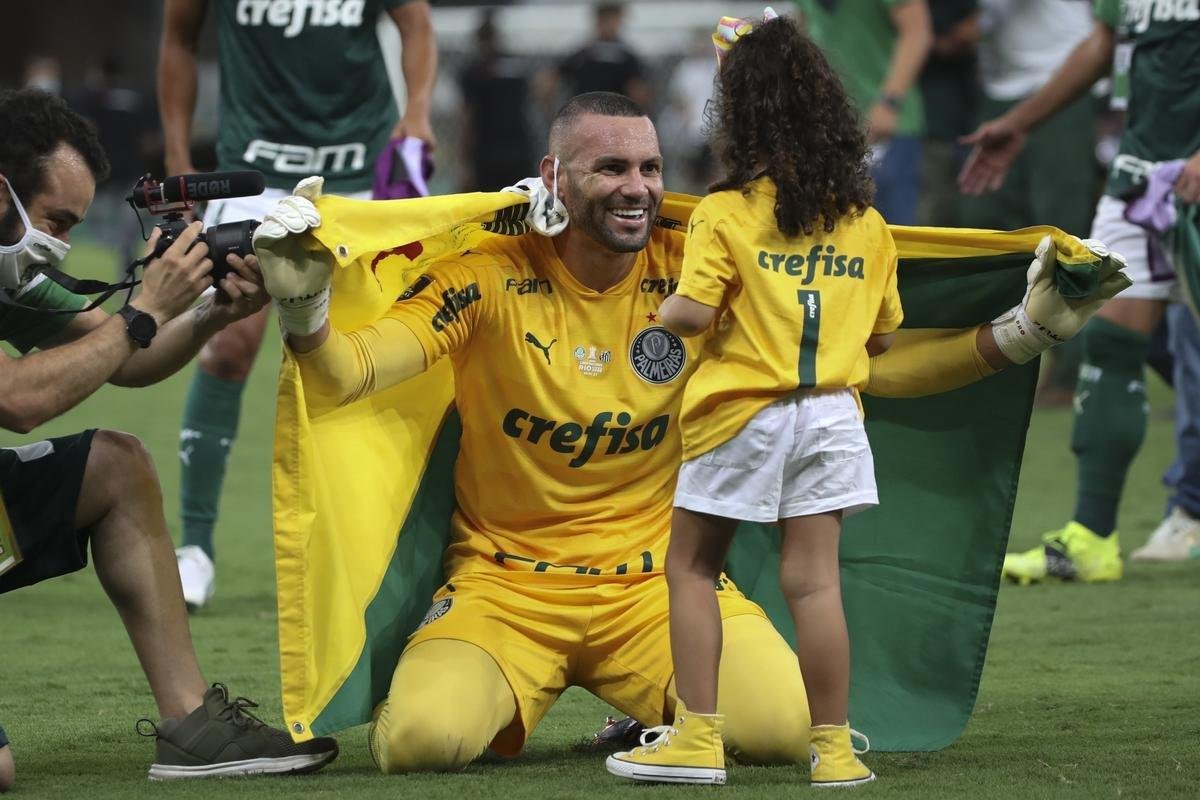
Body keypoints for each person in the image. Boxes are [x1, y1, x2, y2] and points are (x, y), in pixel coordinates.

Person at [252, 89, 1128, 774]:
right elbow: (349, 372)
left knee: (782, 731)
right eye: (609, 168)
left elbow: (861, 370)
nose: (637, 187)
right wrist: (303, 306)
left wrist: (1022, 334)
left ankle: (656, 718)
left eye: (649, 166)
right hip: (505, 589)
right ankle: (520, 691)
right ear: (553, 177)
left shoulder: (702, 267)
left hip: (658, 591)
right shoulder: (483, 276)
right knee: (418, 744)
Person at [0, 88, 339, 783]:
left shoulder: (13, 273)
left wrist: (215, 311)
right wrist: (144, 310)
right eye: (55, 221)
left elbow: (128, 357)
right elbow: (18, 399)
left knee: (117, 466)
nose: (61, 245)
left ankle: (192, 727)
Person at [606, 13, 895, 788]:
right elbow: (883, 338)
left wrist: (656, 316)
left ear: (741, 114)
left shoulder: (725, 212)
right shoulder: (866, 222)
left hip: (742, 415)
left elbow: (694, 313)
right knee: (817, 584)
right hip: (833, 417)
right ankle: (835, 753)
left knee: (691, 569)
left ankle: (697, 739)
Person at [158, 0, 437, 611]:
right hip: (252, 176)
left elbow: (414, 21)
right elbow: (179, 37)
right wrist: (178, 156)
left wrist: (416, 110)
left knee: (380, 355)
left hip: (361, 177)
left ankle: (384, 545)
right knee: (227, 344)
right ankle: (196, 548)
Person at [959, 0, 1200, 582]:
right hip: (1140, 176)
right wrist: (1022, 121)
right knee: (1110, 346)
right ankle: (1092, 538)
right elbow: (1102, 42)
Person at [792, 0, 933, 225]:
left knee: (893, 232)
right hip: (829, 129)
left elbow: (917, 32)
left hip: (886, 127)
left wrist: (889, 103)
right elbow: (804, 30)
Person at [458, 10, 536, 192]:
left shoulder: (474, 71)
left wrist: (465, 160)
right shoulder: (516, 66)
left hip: (487, 149)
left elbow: (468, 115)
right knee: (521, 197)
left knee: (489, 199)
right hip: (519, 144)